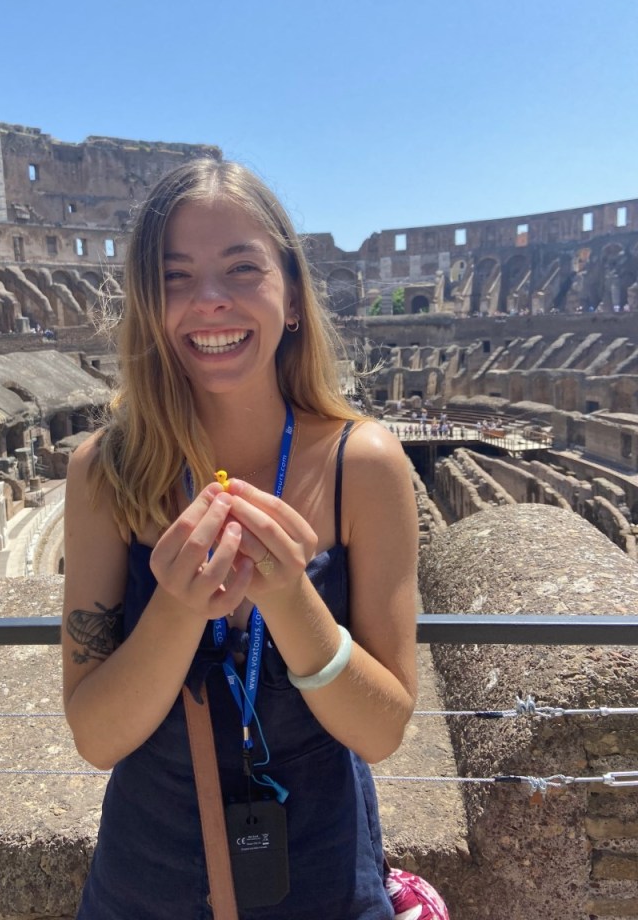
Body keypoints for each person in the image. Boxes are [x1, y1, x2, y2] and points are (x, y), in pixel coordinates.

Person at [62, 160, 442, 919]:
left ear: (293, 297)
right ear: (148, 307)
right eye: (175, 276)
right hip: (143, 886)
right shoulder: (104, 471)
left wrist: (290, 598)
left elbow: (381, 730)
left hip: (326, 884)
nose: (210, 299)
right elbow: (97, 740)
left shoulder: (365, 465)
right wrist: (178, 608)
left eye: (242, 268)